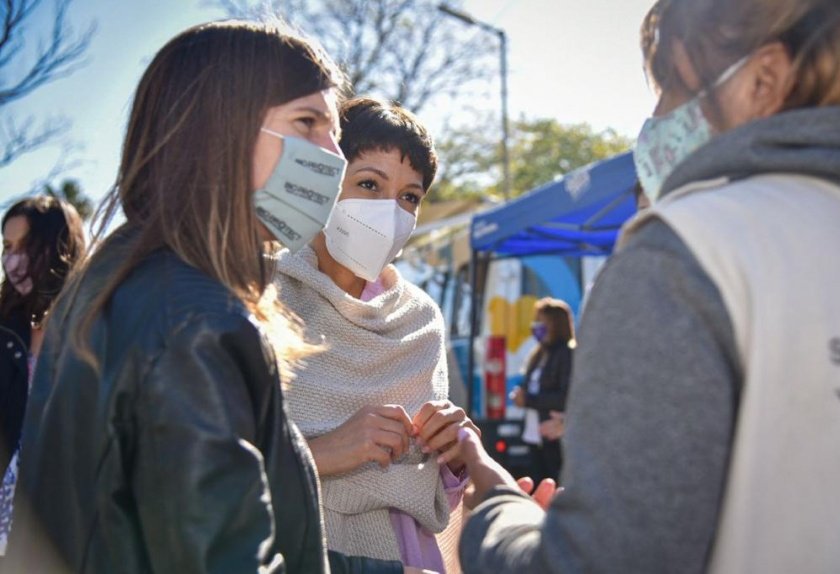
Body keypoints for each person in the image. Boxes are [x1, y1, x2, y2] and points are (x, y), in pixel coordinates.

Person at [457, 0, 840, 572]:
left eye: (672, 85)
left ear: (763, 81)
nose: (654, 119)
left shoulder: (684, 253)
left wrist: (496, 517)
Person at [4, 21, 408, 573]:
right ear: (219, 130)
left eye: (334, 131)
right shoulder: (193, 322)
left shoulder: (124, 279)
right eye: (307, 122)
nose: (334, 156)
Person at [275, 96, 475, 572]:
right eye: (369, 184)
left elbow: (430, 492)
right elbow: (211, 471)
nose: (390, 212)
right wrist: (321, 453)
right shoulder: (262, 297)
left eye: (409, 197)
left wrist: (453, 456)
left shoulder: (421, 319)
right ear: (324, 184)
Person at [0, 196, 85, 553]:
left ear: (60, 247)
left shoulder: (93, 330)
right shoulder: (6, 329)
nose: (13, 261)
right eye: (7, 247)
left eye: (26, 246)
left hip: (59, 530)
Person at [510, 297, 574, 483]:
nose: (536, 326)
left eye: (542, 321)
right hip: (534, 435)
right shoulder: (538, 354)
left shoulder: (566, 354)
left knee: (554, 484)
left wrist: (528, 400)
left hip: (553, 436)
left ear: (556, 324)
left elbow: (565, 397)